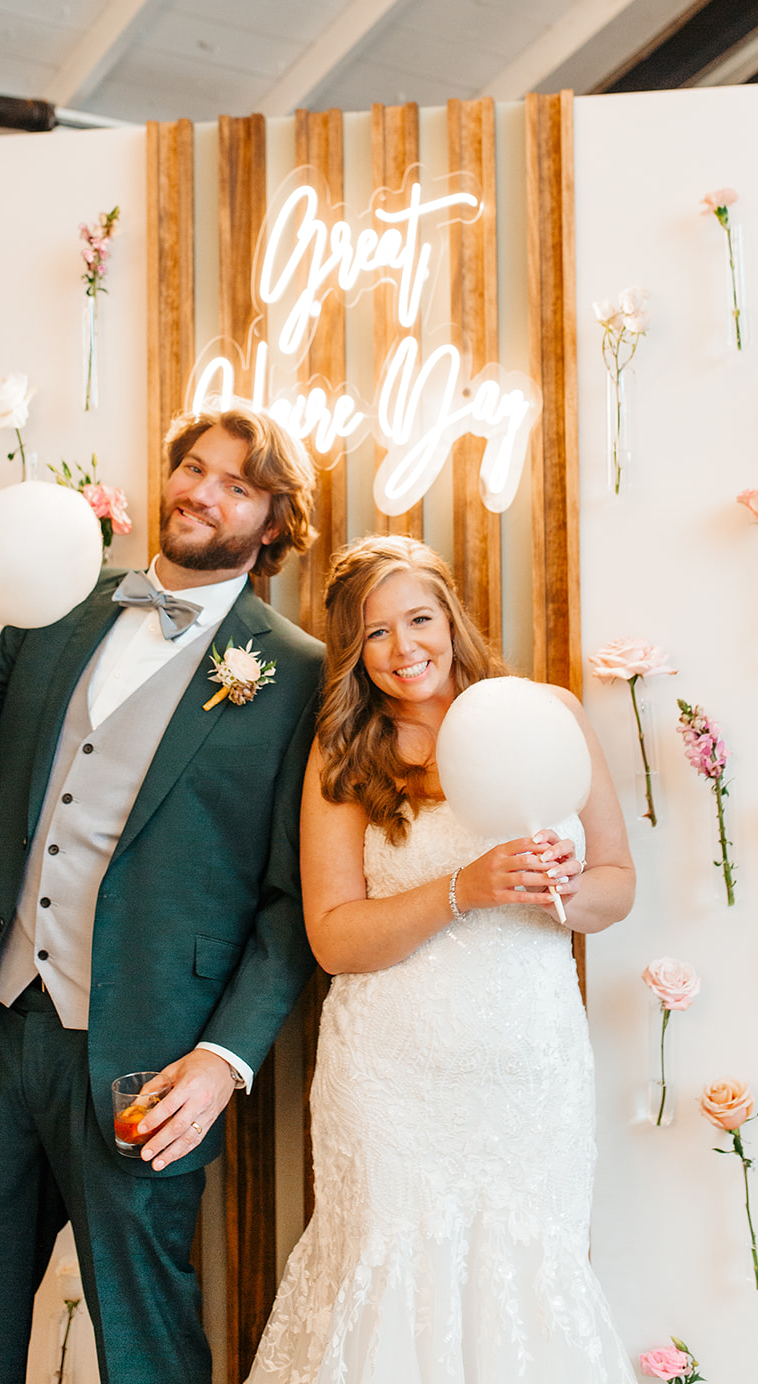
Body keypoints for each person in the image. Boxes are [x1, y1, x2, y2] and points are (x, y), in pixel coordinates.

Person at [0, 405, 324, 1384]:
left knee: (142, 1330)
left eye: (235, 485)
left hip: (147, 1060)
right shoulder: (67, 604)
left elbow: (292, 901)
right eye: (194, 468)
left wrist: (221, 1059)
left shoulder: (293, 671)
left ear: (272, 522)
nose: (202, 491)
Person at [248, 535, 638, 1384]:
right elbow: (334, 939)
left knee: (525, 1276)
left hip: (529, 1070)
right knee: (392, 1281)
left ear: (451, 618)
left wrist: (559, 891)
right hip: (393, 1078)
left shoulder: (549, 715)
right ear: (351, 650)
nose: (402, 649)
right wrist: (462, 887)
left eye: (417, 619)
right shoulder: (344, 754)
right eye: (373, 634)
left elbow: (615, 888)